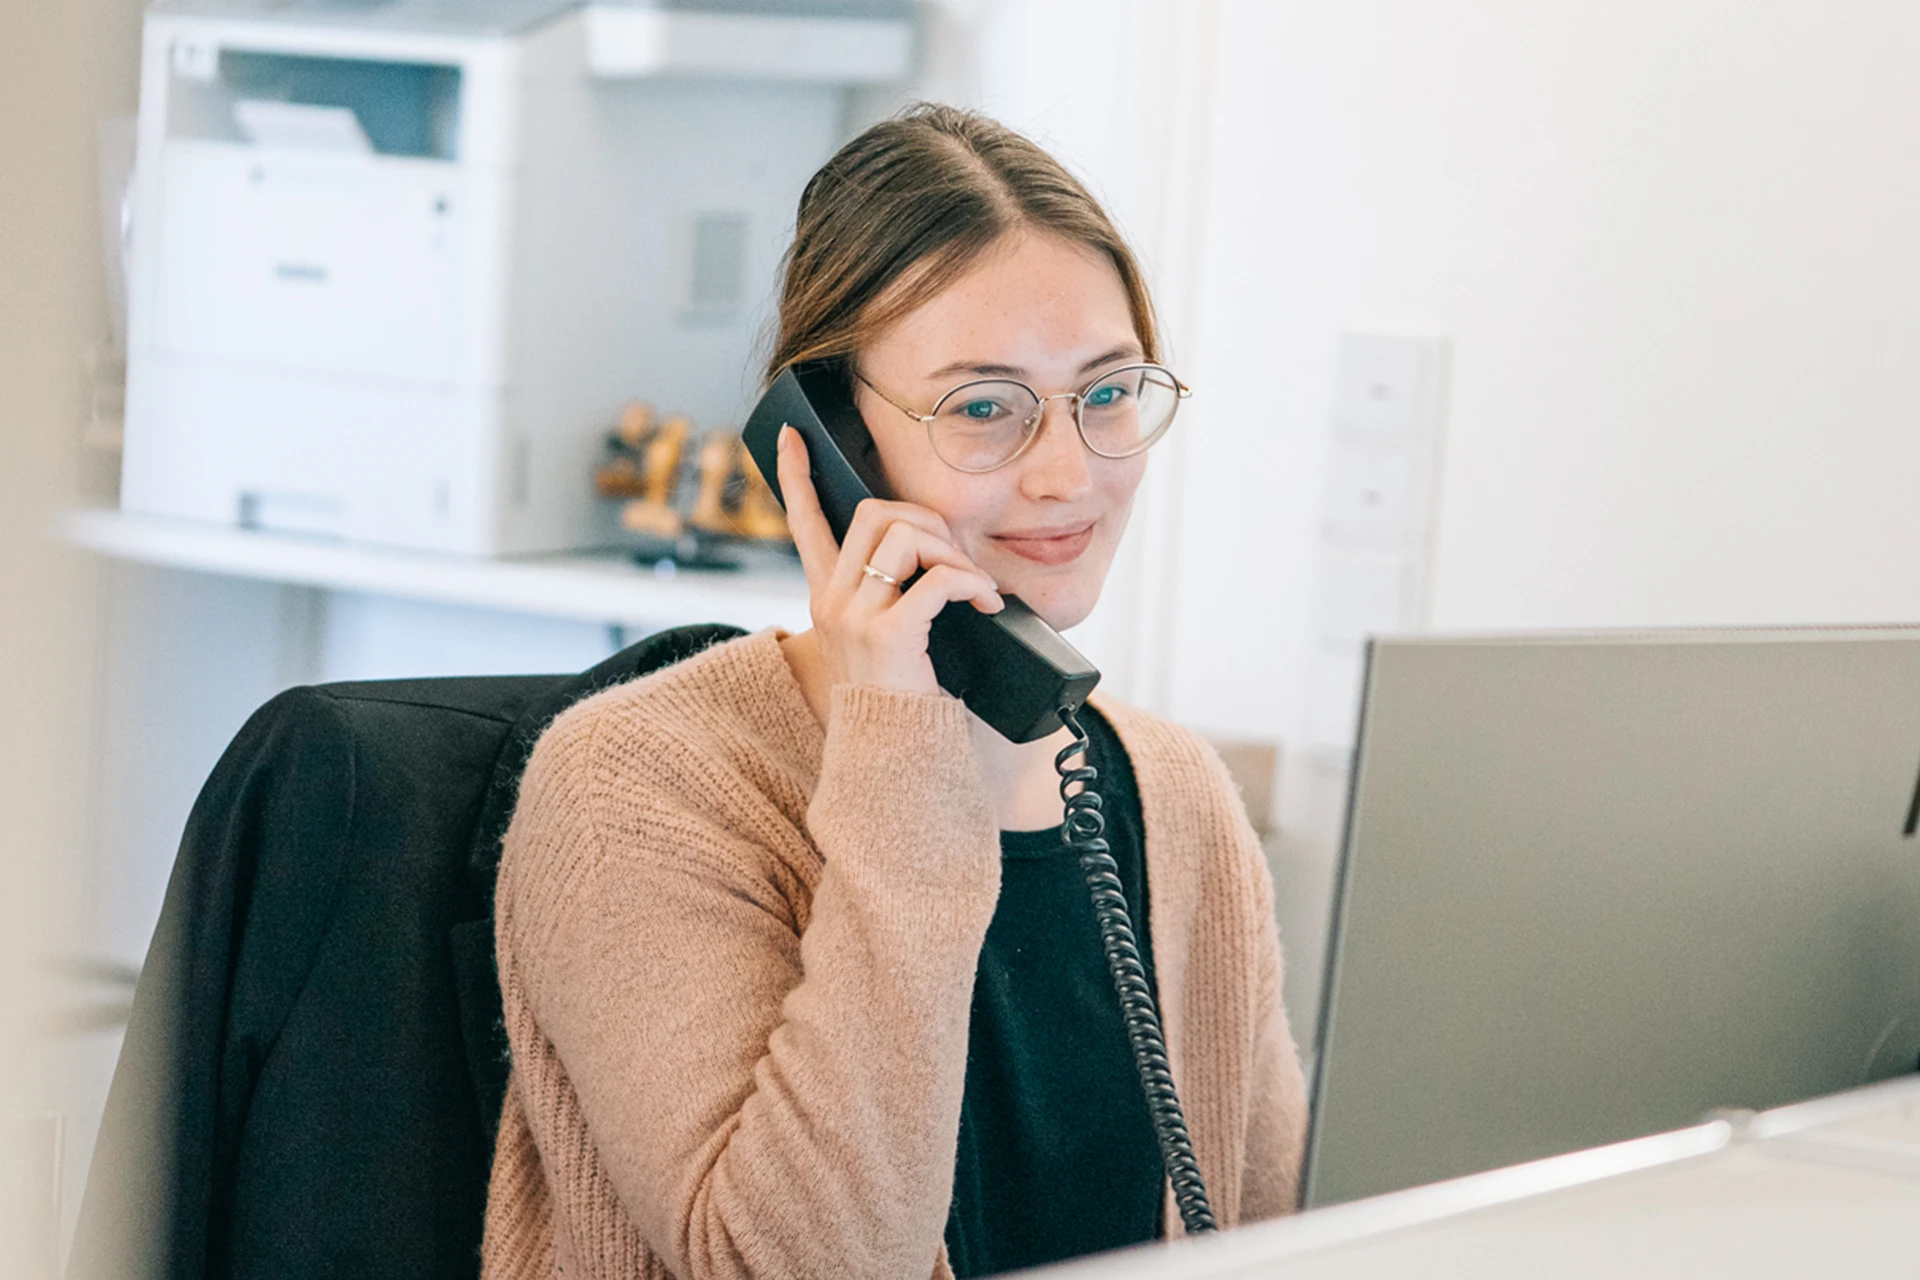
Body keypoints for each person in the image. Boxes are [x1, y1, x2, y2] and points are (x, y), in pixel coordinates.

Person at [481, 104, 1308, 1280]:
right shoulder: (634, 788)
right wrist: (903, 749)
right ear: (831, 450)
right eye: (984, 407)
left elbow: (1290, 1238)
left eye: (1108, 392)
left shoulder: (1173, 796)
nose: (1069, 472)